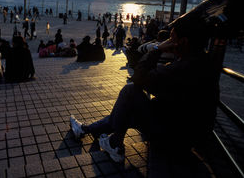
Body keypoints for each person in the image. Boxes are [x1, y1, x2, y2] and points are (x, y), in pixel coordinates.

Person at [70, 16, 217, 163]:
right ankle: (89, 131)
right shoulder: (204, 63)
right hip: (188, 137)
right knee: (126, 111)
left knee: (130, 91)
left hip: (172, 138)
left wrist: (157, 49)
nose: (168, 42)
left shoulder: (183, 68)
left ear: (183, 41)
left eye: (172, 38)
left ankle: (112, 143)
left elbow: (139, 77)